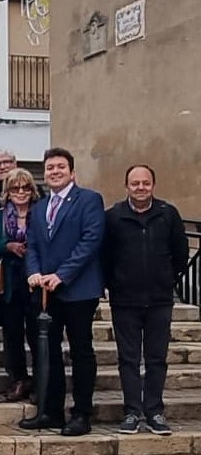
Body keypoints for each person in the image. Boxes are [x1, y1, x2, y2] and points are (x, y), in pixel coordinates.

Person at [20, 148, 105, 437]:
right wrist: (33, 272)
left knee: (81, 351)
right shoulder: (40, 207)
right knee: (47, 352)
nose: (54, 171)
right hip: (46, 292)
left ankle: (82, 413)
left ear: (71, 172)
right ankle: (51, 411)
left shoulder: (89, 200)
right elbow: (32, 244)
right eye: (50, 167)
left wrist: (63, 275)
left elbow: (90, 241)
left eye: (60, 167)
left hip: (79, 290)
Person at [101, 164, 186, 436]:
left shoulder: (167, 214)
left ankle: (154, 411)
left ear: (153, 185)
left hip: (159, 300)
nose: (140, 188)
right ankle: (132, 412)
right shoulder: (113, 217)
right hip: (125, 300)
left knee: (156, 358)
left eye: (145, 183)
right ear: (126, 186)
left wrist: (167, 279)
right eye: (135, 183)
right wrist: (112, 284)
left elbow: (180, 253)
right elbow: (104, 255)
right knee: (128, 359)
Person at [0, 169, 41, 404]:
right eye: (15, 188)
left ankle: (41, 381)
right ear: (7, 192)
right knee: (12, 335)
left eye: (25, 188)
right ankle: (18, 378)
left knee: (38, 334)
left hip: (35, 281)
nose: (20, 193)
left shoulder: (41, 214)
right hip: (9, 281)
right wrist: (7, 246)